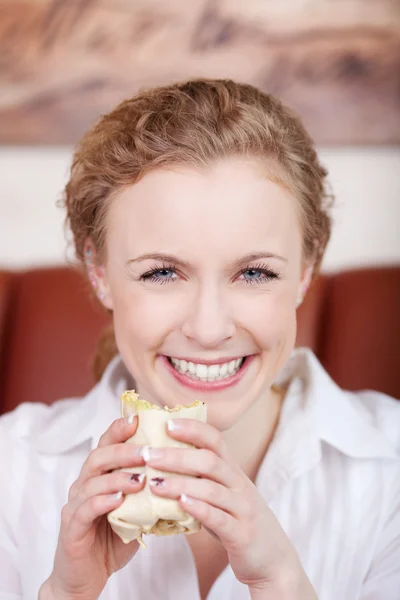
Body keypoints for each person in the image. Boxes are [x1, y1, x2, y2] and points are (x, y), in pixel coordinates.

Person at [0, 79, 399, 600]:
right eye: (163, 273)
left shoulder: (390, 474)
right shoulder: (11, 469)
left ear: (305, 269)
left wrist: (281, 583)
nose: (210, 329)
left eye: (254, 273)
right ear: (99, 271)